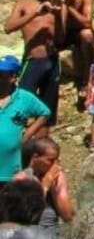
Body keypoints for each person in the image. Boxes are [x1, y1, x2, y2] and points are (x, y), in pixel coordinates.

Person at [4, 0, 65, 135]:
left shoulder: (58, 6)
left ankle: (39, 150)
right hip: (32, 60)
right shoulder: (24, 4)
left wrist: (58, 14)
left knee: (47, 110)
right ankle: (16, 144)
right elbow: (8, 27)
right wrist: (36, 12)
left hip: (52, 61)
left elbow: (60, 38)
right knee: (21, 105)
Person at [0, 55, 50, 184]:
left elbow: (45, 113)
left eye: (1, 74)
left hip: (11, 171)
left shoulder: (24, 98)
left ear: (12, 77)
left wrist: (28, 133)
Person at [13, 137, 75, 239]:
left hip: (52, 238)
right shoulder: (21, 179)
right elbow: (25, 216)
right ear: (35, 157)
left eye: (57, 160)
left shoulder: (58, 177)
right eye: (50, 160)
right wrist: (44, 186)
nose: (55, 165)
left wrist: (54, 190)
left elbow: (67, 216)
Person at [58, 0, 94, 106]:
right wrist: (61, 5)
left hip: (79, 31)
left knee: (87, 35)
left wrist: (70, 7)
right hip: (63, 32)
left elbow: (87, 22)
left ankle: (87, 78)